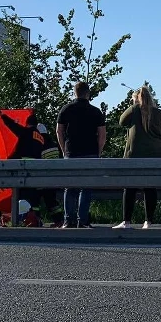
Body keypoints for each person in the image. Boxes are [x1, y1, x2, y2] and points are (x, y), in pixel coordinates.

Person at [115, 85, 161, 229]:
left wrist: (134, 105)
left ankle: (126, 221)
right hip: (155, 156)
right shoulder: (160, 113)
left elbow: (121, 121)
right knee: (150, 187)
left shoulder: (134, 110)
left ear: (136, 99)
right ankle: (148, 221)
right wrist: (159, 147)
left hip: (134, 155)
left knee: (129, 187)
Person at [56, 81, 106, 228]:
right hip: (90, 152)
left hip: (71, 152)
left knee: (69, 187)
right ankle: (82, 220)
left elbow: (59, 131)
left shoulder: (66, 109)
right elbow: (102, 135)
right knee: (86, 187)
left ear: (74, 93)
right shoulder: (96, 111)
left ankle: (68, 220)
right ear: (88, 93)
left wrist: (64, 149)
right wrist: (98, 151)